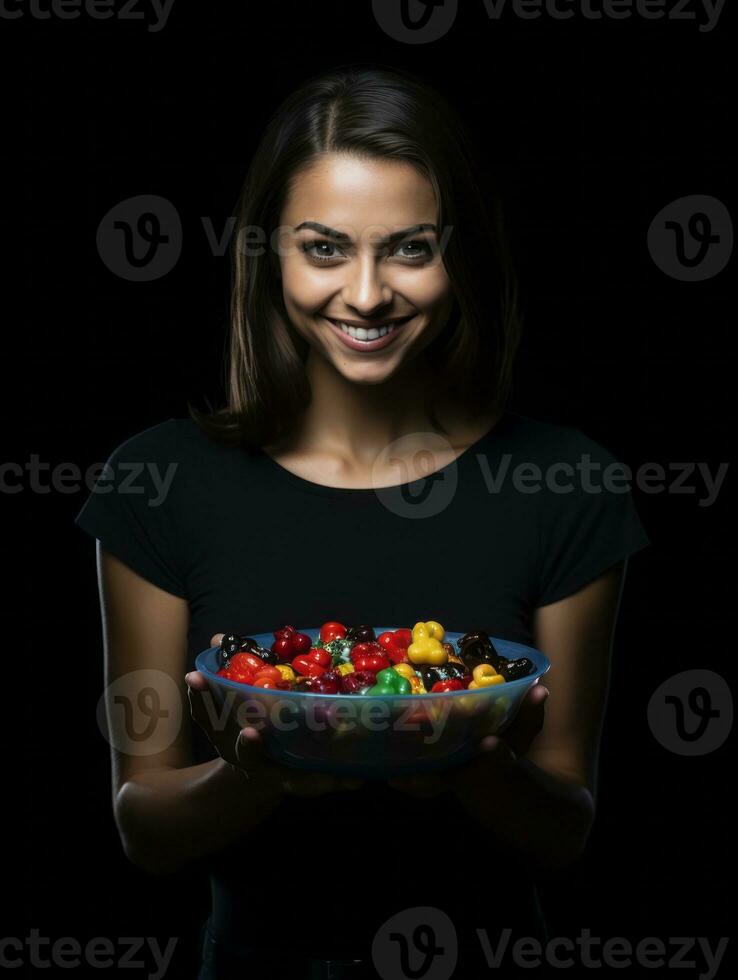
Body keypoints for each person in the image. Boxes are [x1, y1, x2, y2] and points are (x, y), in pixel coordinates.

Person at [75, 65, 650, 980]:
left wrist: (473, 765)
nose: (370, 294)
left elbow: (565, 833)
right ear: (269, 254)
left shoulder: (566, 481)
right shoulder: (158, 482)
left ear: (459, 254)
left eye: (411, 249)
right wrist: (254, 775)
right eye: (326, 248)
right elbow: (144, 825)